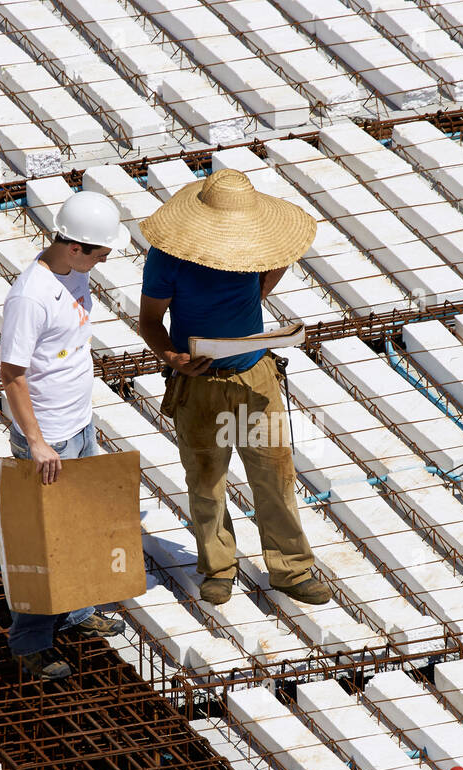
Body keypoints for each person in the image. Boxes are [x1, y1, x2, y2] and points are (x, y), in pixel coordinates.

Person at [136, 167, 331, 608]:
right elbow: (150, 322)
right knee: (207, 482)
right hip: (200, 386)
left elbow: (281, 255)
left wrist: (254, 296)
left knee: (274, 475)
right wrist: (173, 359)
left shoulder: (259, 245)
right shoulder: (168, 258)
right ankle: (219, 568)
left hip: (255, 377)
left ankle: (291, 569)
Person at [0, 190, 130, 680]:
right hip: (47, 436)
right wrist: (36, 442)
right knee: (42, 541)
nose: (103, 261)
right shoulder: (30, 296)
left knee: (78, 529)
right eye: (100, 253)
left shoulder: (75, 273)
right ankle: (29, 642)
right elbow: (12, 374)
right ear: (74, 247)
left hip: (78, 423)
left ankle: (74, 615)